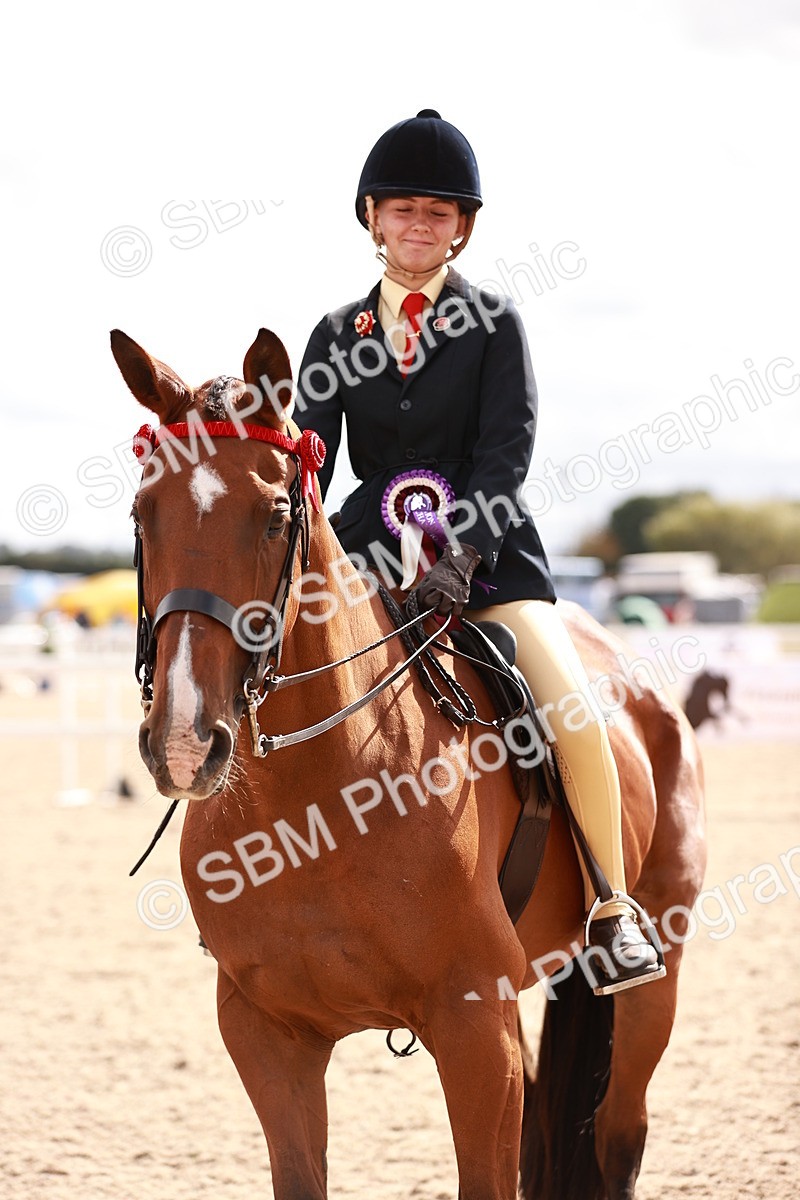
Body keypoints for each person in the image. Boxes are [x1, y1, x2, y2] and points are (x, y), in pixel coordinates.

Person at [293, 109, 663, 994]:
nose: (420, 226)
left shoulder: (493, 322)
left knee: (566, 701)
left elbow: (507, 452)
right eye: (404, 210)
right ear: (372, 217)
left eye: (439, 213)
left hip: (487, 557)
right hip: (367, 553)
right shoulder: (333, 336)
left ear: (462, 227)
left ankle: (611, 906)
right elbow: (310, 460)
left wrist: (459, 554)